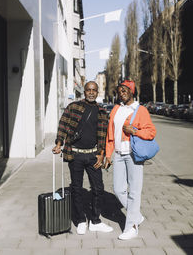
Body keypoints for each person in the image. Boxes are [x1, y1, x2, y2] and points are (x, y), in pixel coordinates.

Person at [52, 81, 113, 235]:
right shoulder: (74, 107)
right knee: (77, 188)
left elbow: (104, 136)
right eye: (88, 90)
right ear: (84, 92)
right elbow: (63, 125)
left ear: (97, 92)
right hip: (76, 154)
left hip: (93, 156)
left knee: (98, 188)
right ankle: (80, 220)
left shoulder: (102, 112)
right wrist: (59, 144)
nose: (91, 93)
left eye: (94, 90)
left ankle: (95, 221)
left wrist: (102, 154)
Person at [105, 80, 156, 240]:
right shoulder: (116, 109)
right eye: (120, 90)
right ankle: (137, 216)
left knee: (134, 191)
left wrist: (135, 131)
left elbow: (151, 132)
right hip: (119, 155)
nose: (122, 93)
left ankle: (132, 227)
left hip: (133, 155)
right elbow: (110, 135)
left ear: (132, 92)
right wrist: (108, 154)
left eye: (125, 90)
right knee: (118, 189)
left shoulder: (140, 110)